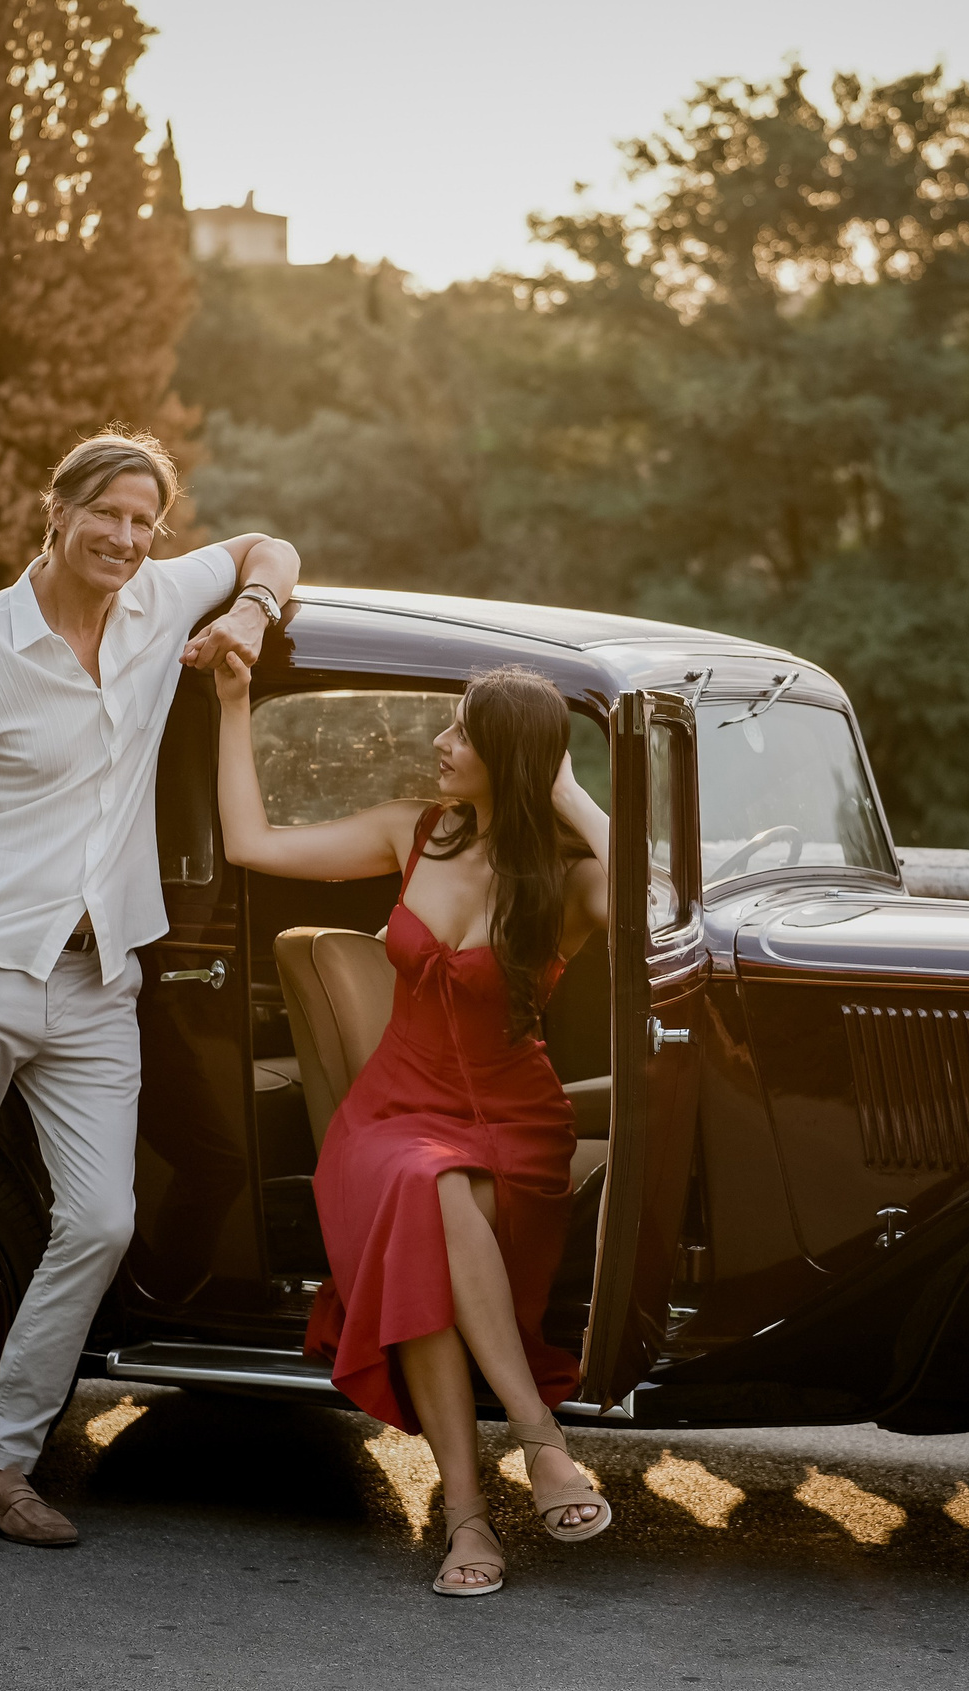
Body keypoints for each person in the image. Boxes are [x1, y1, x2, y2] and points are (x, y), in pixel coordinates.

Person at [0, 429, 299, 1552]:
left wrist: (248, 612)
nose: (123, 536)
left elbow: (267, 545)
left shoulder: (158, 601)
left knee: (102, 1219)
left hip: (100, 976)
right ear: (55, 511)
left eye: (142, 519)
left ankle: (4, 1456)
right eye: (104, 512)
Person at [215, 660, 615, 1597]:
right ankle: (538, 1443)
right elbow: (250, 840)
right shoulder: (415, 829)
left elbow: (670, 896)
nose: (440, 746)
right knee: (425, 1182)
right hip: (395, 1110)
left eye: (464, 734)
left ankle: (471, 1518)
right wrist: (234, 704)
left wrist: (570, 789)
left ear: (510, 760)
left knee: (432, 1209)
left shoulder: (570, 881)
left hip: (518, 1120)